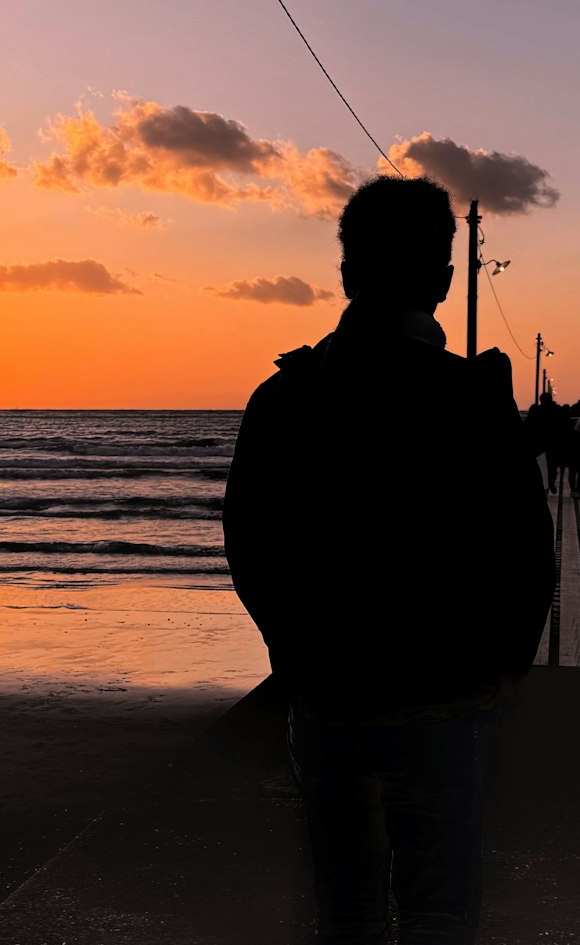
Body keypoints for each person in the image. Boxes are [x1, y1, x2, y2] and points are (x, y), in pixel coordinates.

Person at [223, 176, 555, 945]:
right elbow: (526, 547)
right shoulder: (472, 397)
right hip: (447, 698)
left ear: (347, 274)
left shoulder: (286, 394)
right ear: (444, 282)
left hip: (328, 694)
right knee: (439, 909)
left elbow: (250, 542)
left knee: (345, 910)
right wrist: (507, 663)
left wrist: (291, 650)